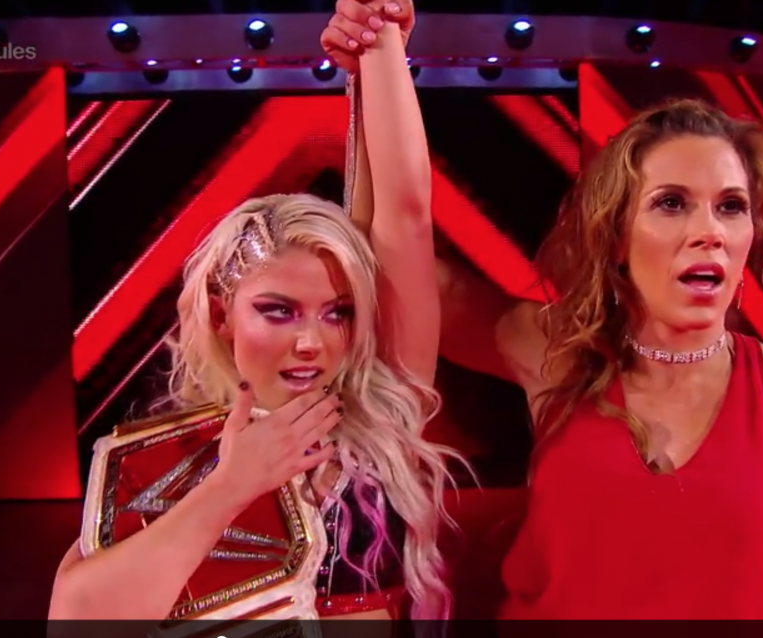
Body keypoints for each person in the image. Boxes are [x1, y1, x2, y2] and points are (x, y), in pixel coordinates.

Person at [323, 1, 763, 620]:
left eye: (731, 206)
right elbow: (385, 254)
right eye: (672, 203)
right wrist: (374, 68)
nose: (709, 231)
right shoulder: (555, 352)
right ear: (617, 236)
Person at [48, 11, 463, 623]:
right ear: (222, 317)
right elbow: (79, 621)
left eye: (338, 313)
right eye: (278, 311)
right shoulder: (163, 458)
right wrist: (231, 487)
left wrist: (377, 37)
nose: (311, 342)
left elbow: (404, 214)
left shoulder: (379, 420)